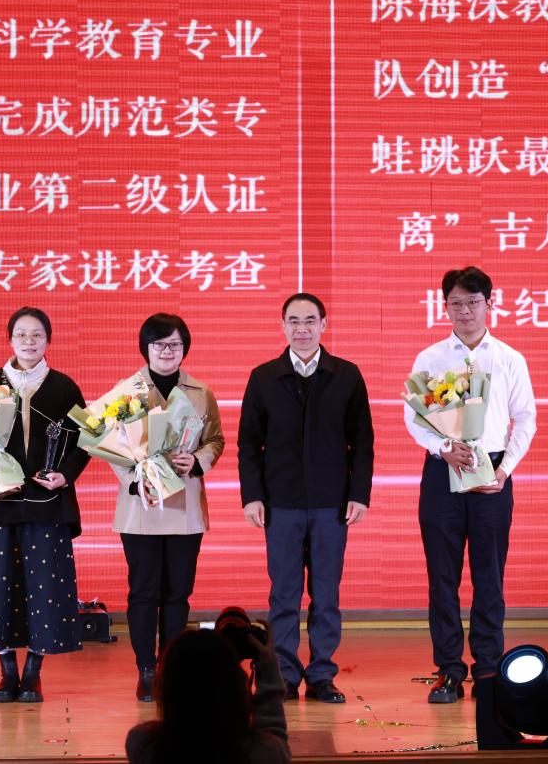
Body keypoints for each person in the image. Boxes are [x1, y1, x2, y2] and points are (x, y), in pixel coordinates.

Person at [404, 266, 536, 703]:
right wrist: (442, 446)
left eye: (473, 303)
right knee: (442, 577)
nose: (464, 311)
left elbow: (526, 419)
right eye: (456, 303)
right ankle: (448, 669)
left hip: (493, 473)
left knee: (489, 576)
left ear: (489, 305)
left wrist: (505, 469)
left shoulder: (510, 358)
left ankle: (488, 669)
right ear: (445, 307)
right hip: (442, 472)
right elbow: (414, 418)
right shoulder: (430, 358)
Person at [238, 293, 374, 704]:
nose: (302, 328)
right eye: (294, 321)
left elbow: (362, 442)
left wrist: (359, 494)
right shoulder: (264, 377)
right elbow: (248, 444)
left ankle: (321, 675)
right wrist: (252, 496)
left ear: (323, 325)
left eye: (310, 320)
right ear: (282, 326)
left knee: (326, 593)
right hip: (280, 503)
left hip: (332, 504)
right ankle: (283, 674)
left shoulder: (346, 375)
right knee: (284, 593)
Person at [0, 306, 90, 703]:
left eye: (37, 335)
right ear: (10, 339)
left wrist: (65, 475)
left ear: (48, 340)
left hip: (46, 501)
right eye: (21, 334)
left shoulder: (65, 387)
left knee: (44, 588)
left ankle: (33, 673)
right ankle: (6, 673)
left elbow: (87, 440)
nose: (29, 342)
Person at [105, 313, 224, 702]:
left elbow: (216, 440)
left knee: (178, 593)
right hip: (140, 506)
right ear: (146, 348)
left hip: (184, 504)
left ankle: (171, 666)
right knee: (143, 592)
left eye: (175, 344)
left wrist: (198, 460)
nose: (167, 351)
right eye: (159, 344)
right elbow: (109, 444)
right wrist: (134, 477)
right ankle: (146, 669)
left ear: (185, 347)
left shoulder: (201, 392)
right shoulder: (127, 391)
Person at [125, 623, 290, 764]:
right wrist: (267, 665)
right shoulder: (262, 753)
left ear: (166, 688)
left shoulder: (142, 745)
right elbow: (275, 738)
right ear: (236, 687)